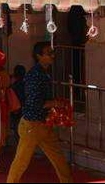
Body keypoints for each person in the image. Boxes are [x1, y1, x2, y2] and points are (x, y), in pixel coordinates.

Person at [7, 43, 73, 183]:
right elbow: (35, 103)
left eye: (52, 52)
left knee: (59, 159)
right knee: (21, 162)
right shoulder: (35, 75)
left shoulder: (43, 73)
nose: (52, 56)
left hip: (43, 124)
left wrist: (55, 104)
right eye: (49, 53)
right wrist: (56, 103)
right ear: (39, 56)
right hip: (32, 124)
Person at [10, 65, 27, 141]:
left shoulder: (14, 86)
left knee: (17, 131)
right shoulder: (27, 84)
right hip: (25, 110)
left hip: (16, 111)